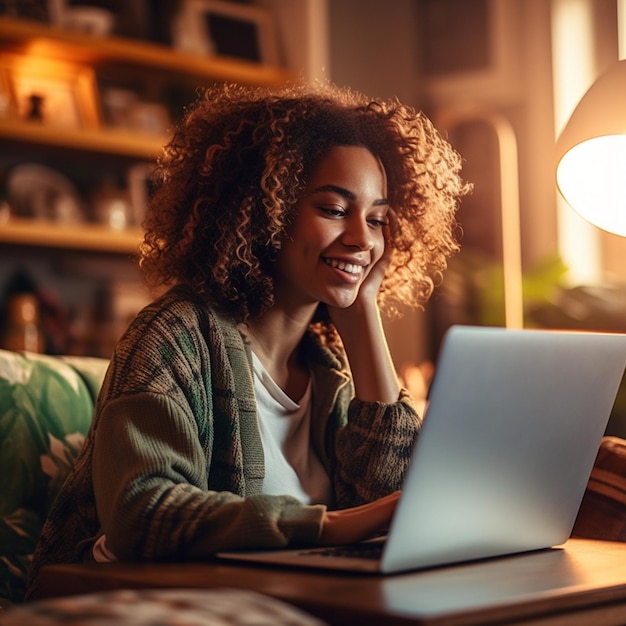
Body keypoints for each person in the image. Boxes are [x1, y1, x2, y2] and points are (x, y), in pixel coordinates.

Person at [26, 81, 469, 598]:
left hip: (280, 596)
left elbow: (391, 505)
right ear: (266, 209)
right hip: (124, 599)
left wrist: (364, 312)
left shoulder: (327, 368)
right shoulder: (174, 336)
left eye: (376, 220)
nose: (362, 238)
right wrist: (329, 525)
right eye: (332, 209)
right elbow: (142, 512)